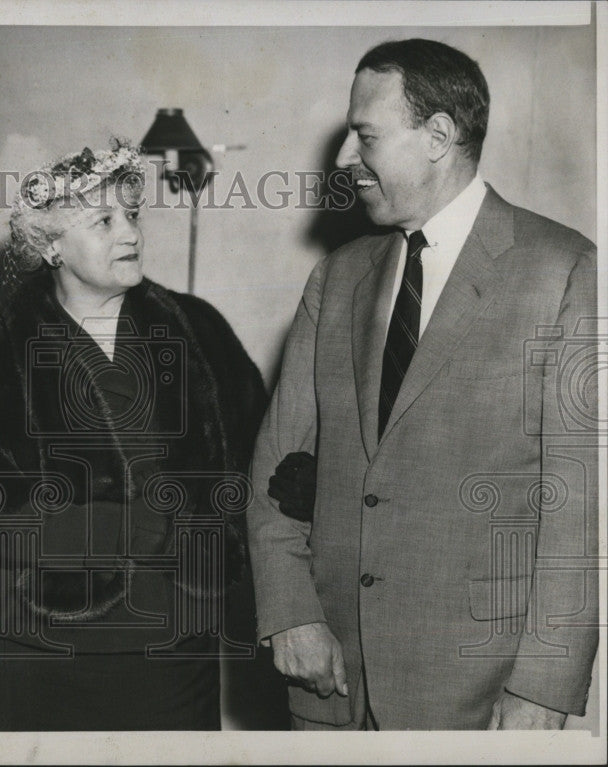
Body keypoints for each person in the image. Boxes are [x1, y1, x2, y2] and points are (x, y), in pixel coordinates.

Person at [247, 38, 598, 730]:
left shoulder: (562, 270)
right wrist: (290, 612)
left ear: (439, 136)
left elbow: (580, 506)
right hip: (332, 684)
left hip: (477, 696)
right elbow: (278, 466)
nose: (348, 160)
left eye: (365, 136)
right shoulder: (337, 277)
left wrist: (544, 687)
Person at [0, 139, 267, 730]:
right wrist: (142, 527)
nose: (132, 234)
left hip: (176, 652)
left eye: (133, 216)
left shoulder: (199, 329)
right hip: (43, 652)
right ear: (51, 246)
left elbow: (256, 460)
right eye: (104, 221)